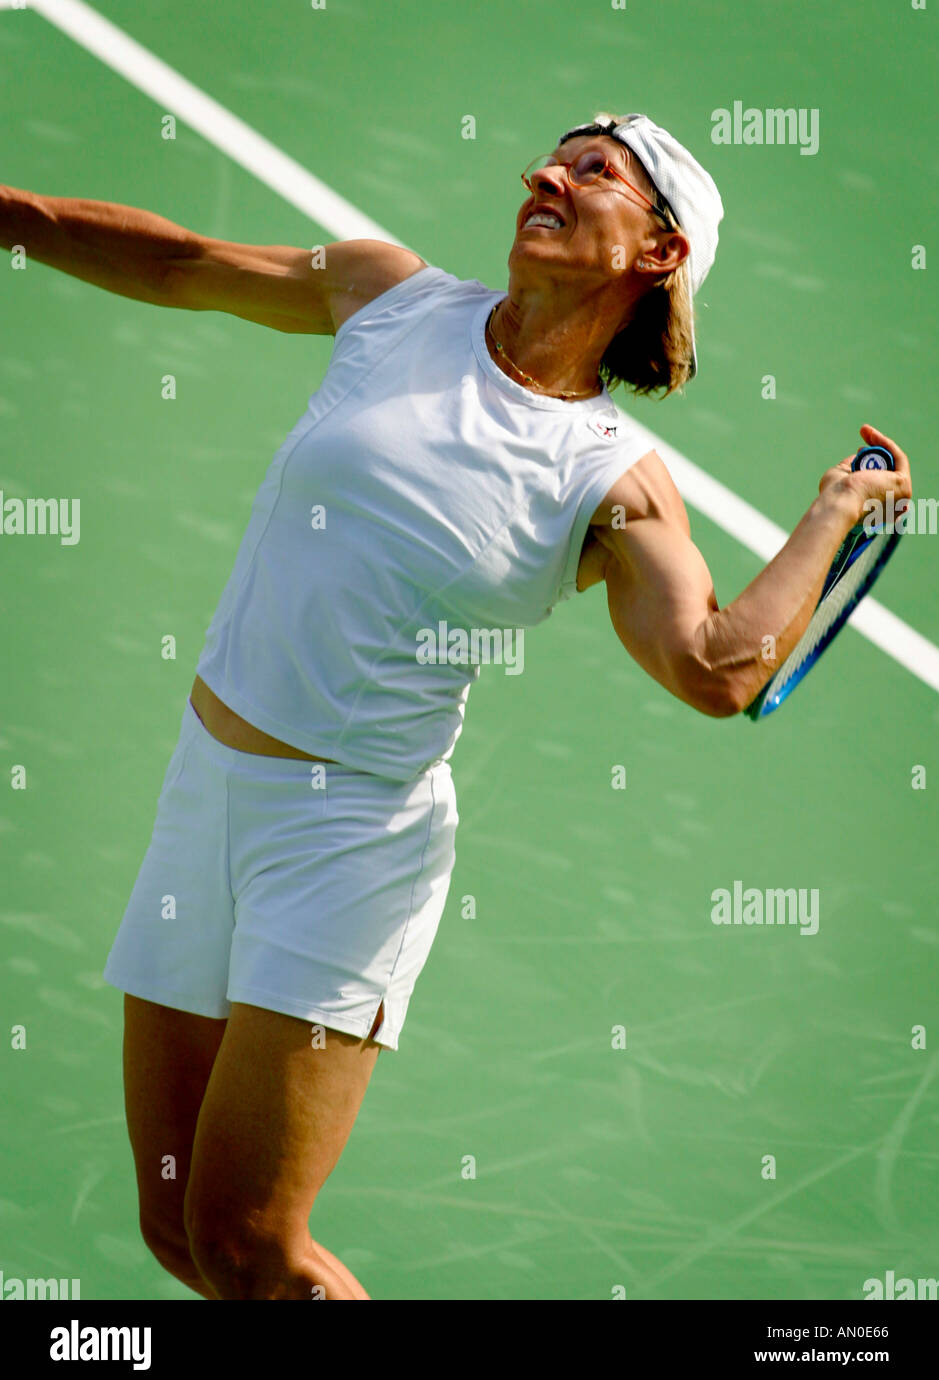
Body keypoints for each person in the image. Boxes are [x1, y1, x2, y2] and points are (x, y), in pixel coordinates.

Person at [1, 111, 911, 1300]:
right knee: (177, 1231)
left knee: (254, 1249)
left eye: (594, 176)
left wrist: (834, 511)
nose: (548, 174)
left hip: (346, 849)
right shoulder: (391, 295)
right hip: (206, 786)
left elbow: (716, 664)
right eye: (552, 157)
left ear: (659, 253)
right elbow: (179, 261)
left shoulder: (609, 477)